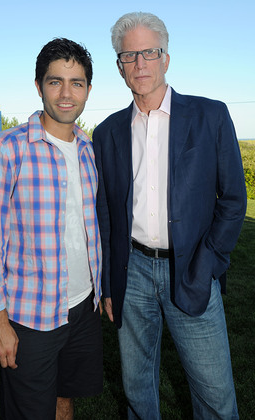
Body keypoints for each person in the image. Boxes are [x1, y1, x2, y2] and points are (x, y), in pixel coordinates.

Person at [93, 12, 247, 420]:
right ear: (120, 66)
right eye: (129, 56)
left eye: (149, 52)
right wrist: (111, 283)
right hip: (133, 272)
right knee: (136, 390)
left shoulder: (210, 115)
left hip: (190, 268)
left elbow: (233, 200)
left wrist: (207, 264)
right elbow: (107, 212)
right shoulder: (107, 132)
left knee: (215, 397)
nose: (140, 63)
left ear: (165, 58)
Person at [0, 38, 102, 420]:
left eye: (76, 83)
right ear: (38, 85)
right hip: (30, 316)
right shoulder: (7, 148)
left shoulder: (89, 150)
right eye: (55, 81)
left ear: (88, 90)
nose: (66, 94)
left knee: (65, 400)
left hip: (83, 305)